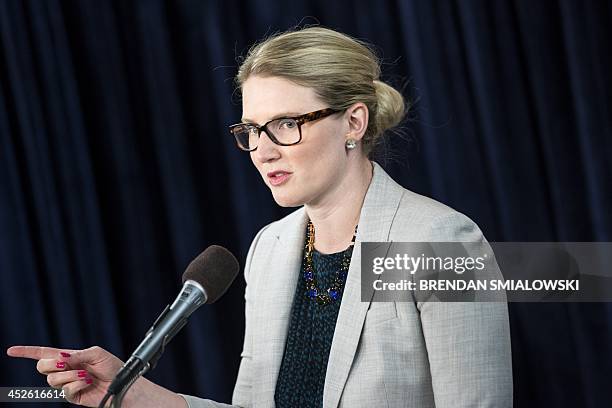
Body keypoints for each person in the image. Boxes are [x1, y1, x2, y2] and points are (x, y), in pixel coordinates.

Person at [7, 26, 512, 407]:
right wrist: (134, 393)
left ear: (353, 122)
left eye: (286, 124)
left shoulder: (441, 241)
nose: (261, 151)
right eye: (251, 129)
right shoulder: (269, 249)